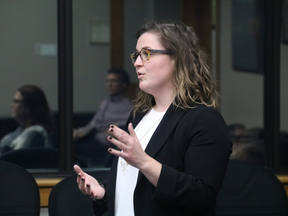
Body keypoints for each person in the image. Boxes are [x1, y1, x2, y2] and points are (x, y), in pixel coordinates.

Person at [74, 21, 232, 216]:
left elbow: (202, 196)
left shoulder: (204, 120)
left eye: (146, 54)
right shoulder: (139, 115)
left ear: (178, 59)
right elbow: (136, 186)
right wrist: (104, 192)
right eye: (136, 55)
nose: (137, 62)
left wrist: (144, 161)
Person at [73, 68, 132, 166]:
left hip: (104, 144)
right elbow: (93, 123)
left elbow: (128, 125)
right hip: (92, 137)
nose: (109, 85)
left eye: (114, 81)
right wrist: (78, 132)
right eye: (108, 81)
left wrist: (116, 129)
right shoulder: (106, 101)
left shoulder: (127, 106)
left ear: (123, 84)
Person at [0, 85, 53, 155]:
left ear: (28, 107)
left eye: (16, 101)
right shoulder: (18, 132)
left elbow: (15, 159)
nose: (12, 106)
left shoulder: (35, 133)